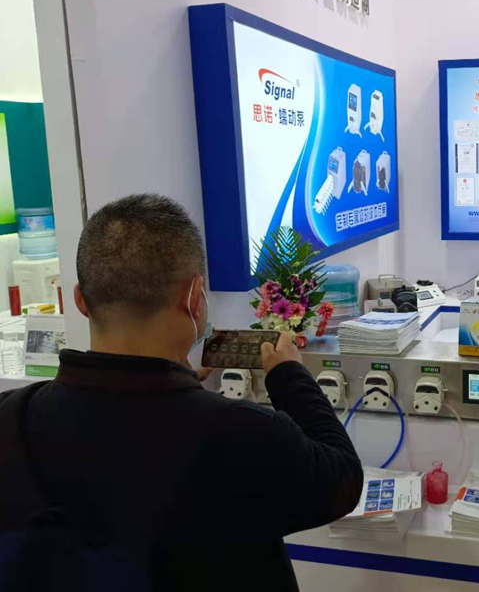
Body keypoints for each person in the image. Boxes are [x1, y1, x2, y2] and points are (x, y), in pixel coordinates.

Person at [0, 194, 363, 591]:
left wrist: (181, 383)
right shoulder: (243, 434)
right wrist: (289, 376)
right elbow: (341, 480)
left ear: (81, 301)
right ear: (194, 299)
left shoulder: (11, 418)